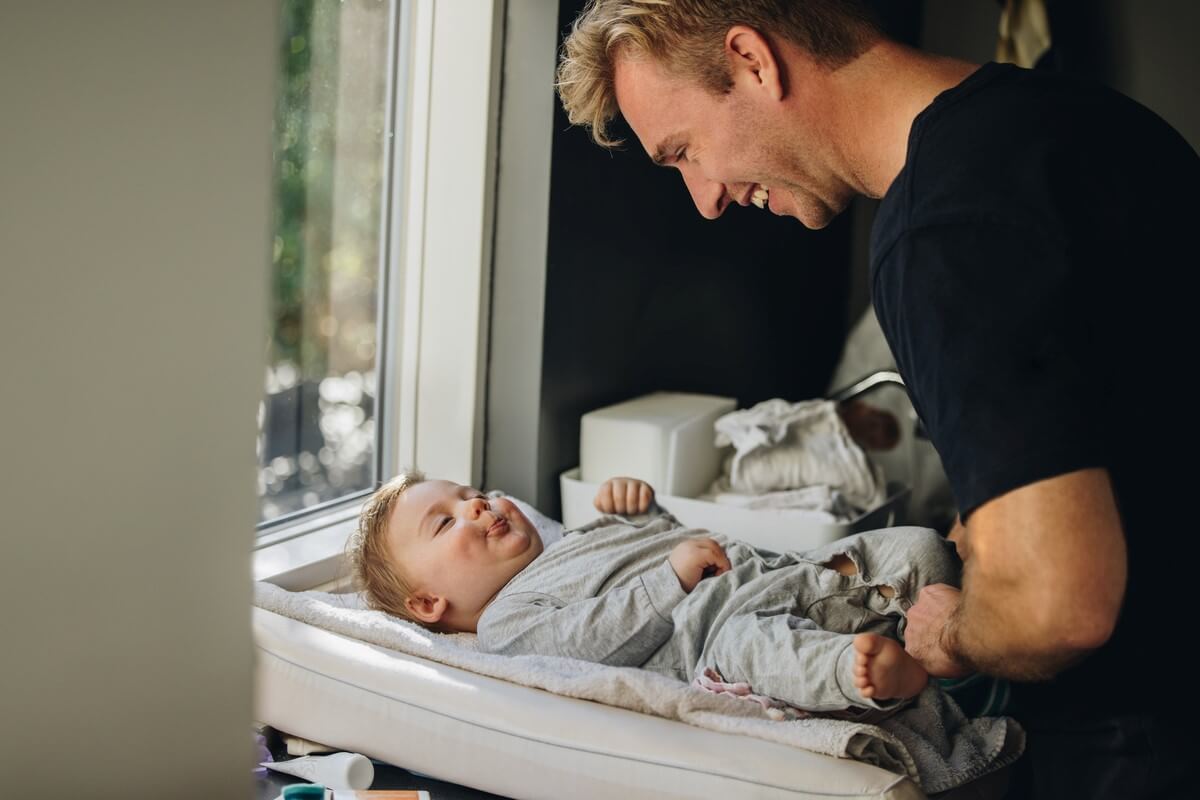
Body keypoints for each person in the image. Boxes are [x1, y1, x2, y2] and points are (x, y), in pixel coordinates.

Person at [555, 1, 1198, 796]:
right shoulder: (1079, 119)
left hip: (1153, 732)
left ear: (753, 60)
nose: (705, 200)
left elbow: (1054, 607)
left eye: (684, 151)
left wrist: (956, 634)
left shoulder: (940, 234)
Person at [352, 471, 961, 715]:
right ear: (429, 604)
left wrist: (643, 512)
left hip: (782, 573)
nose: (476, 504)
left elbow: (678, 541)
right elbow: (587, 645)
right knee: (764, 650)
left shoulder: (572, 541)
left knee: (918, 548)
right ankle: (863, 675)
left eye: (470, 492)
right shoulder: (505, 624)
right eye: (445, 520)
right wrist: (667, 577)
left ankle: (942, 641)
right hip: (716, 636)